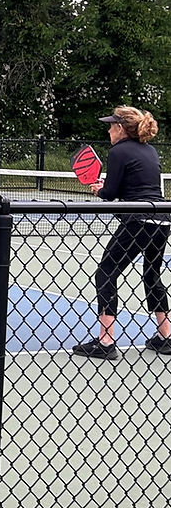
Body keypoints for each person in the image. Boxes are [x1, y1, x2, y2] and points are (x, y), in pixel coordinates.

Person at [72, 106, 171, 360]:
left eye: (111, 126)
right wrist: (109, 187)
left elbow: (110, 193)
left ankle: (105, 341)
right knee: (152, 275)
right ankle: (166, 337)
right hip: (162, 221)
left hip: (137, 222)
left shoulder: (117, 151)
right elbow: (136, 185)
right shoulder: (150, 150)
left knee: (105, 273)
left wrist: (99, 190)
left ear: (121, 129)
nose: (108, 130)